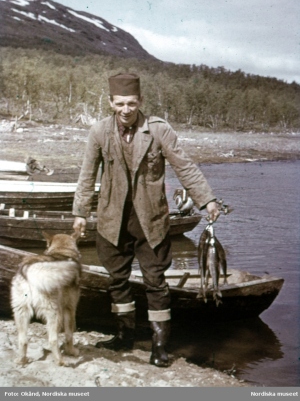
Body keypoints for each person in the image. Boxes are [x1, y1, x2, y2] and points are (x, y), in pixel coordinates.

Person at [72, 73, 220, 367]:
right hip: (111, 220)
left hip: (150, 220)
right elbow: (87, 175)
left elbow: (184, 167)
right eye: (119, 104)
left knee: (155, 281)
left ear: (140, 102)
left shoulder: (158, 130)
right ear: (111, 102)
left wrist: (207, 199)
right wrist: (80, 213)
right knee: (117, 280)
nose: (125, 109)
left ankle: (159, 346)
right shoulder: (99, 131)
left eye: (131, 103)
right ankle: (124, 337)